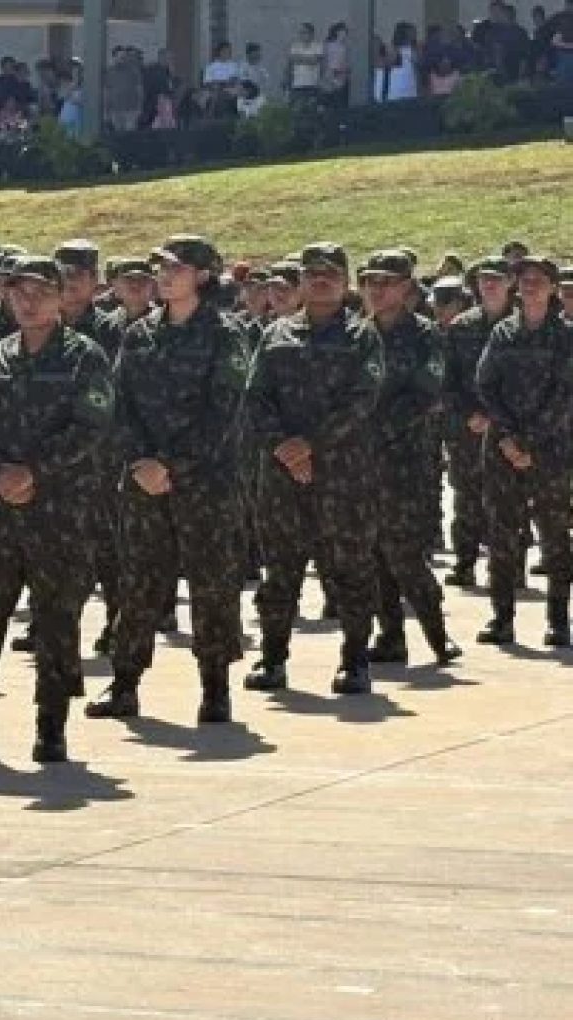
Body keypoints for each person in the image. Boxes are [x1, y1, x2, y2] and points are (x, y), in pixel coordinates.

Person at [0, 256, 115, 763]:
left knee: (56, 621)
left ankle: (51, 726)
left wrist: (32, 471)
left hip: (59, 512)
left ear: (61, 298)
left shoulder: (85, 358)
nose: (28, 301)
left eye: (39, 291)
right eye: (18, 292)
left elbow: (91, 427)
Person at [85, 237, 249, 726]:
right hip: (143, 481)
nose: (163, 274)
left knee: (211, 585)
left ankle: (215, 689)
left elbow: (223, 413)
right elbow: (119, 405)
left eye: (175, 267)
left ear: (202, 275)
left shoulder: (225, 335)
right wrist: (140, 461)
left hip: (204, 483)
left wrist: (172, 466)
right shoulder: (140, 335)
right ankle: (125, 682)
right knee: (138, 583)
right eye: (160, 266)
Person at [241, 243, 385, 695]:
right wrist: (284, 447)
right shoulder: (277, 334)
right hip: (282, 474)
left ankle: (356, 661)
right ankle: (273, 658)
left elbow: (363, 400)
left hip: (343, 474)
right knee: (280, 570)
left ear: (345, 283)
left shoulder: (363, 336)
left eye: (330, 274)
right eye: (312, 274)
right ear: (300, 282)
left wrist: (310, 445)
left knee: (351, 571)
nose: (321, 280)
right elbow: (255, 396)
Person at [357, 250, 461, 666]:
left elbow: (426, 394)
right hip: (359, 464)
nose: (376, 290)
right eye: (369, 282)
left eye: (386, 282)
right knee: (371, 552)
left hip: (408, 462)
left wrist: (368, 429)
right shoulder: (356, 335)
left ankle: (437, 634)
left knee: (404, 551)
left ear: (407, 289)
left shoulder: (427, 336)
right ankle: (391, 636)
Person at [473, 255, 573, 646]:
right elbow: (486, 385)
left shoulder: (566, 336)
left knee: (555, 536)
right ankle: (502, 618)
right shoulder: (503, 333)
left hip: (550, 450)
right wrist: (509, 438)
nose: (530, 286)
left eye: (539, 280)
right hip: (503, 448)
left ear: (552, 288)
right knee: (501, 535)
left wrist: (530, 443)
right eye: (525, 280)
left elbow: (566, 396)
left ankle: (558, 620)